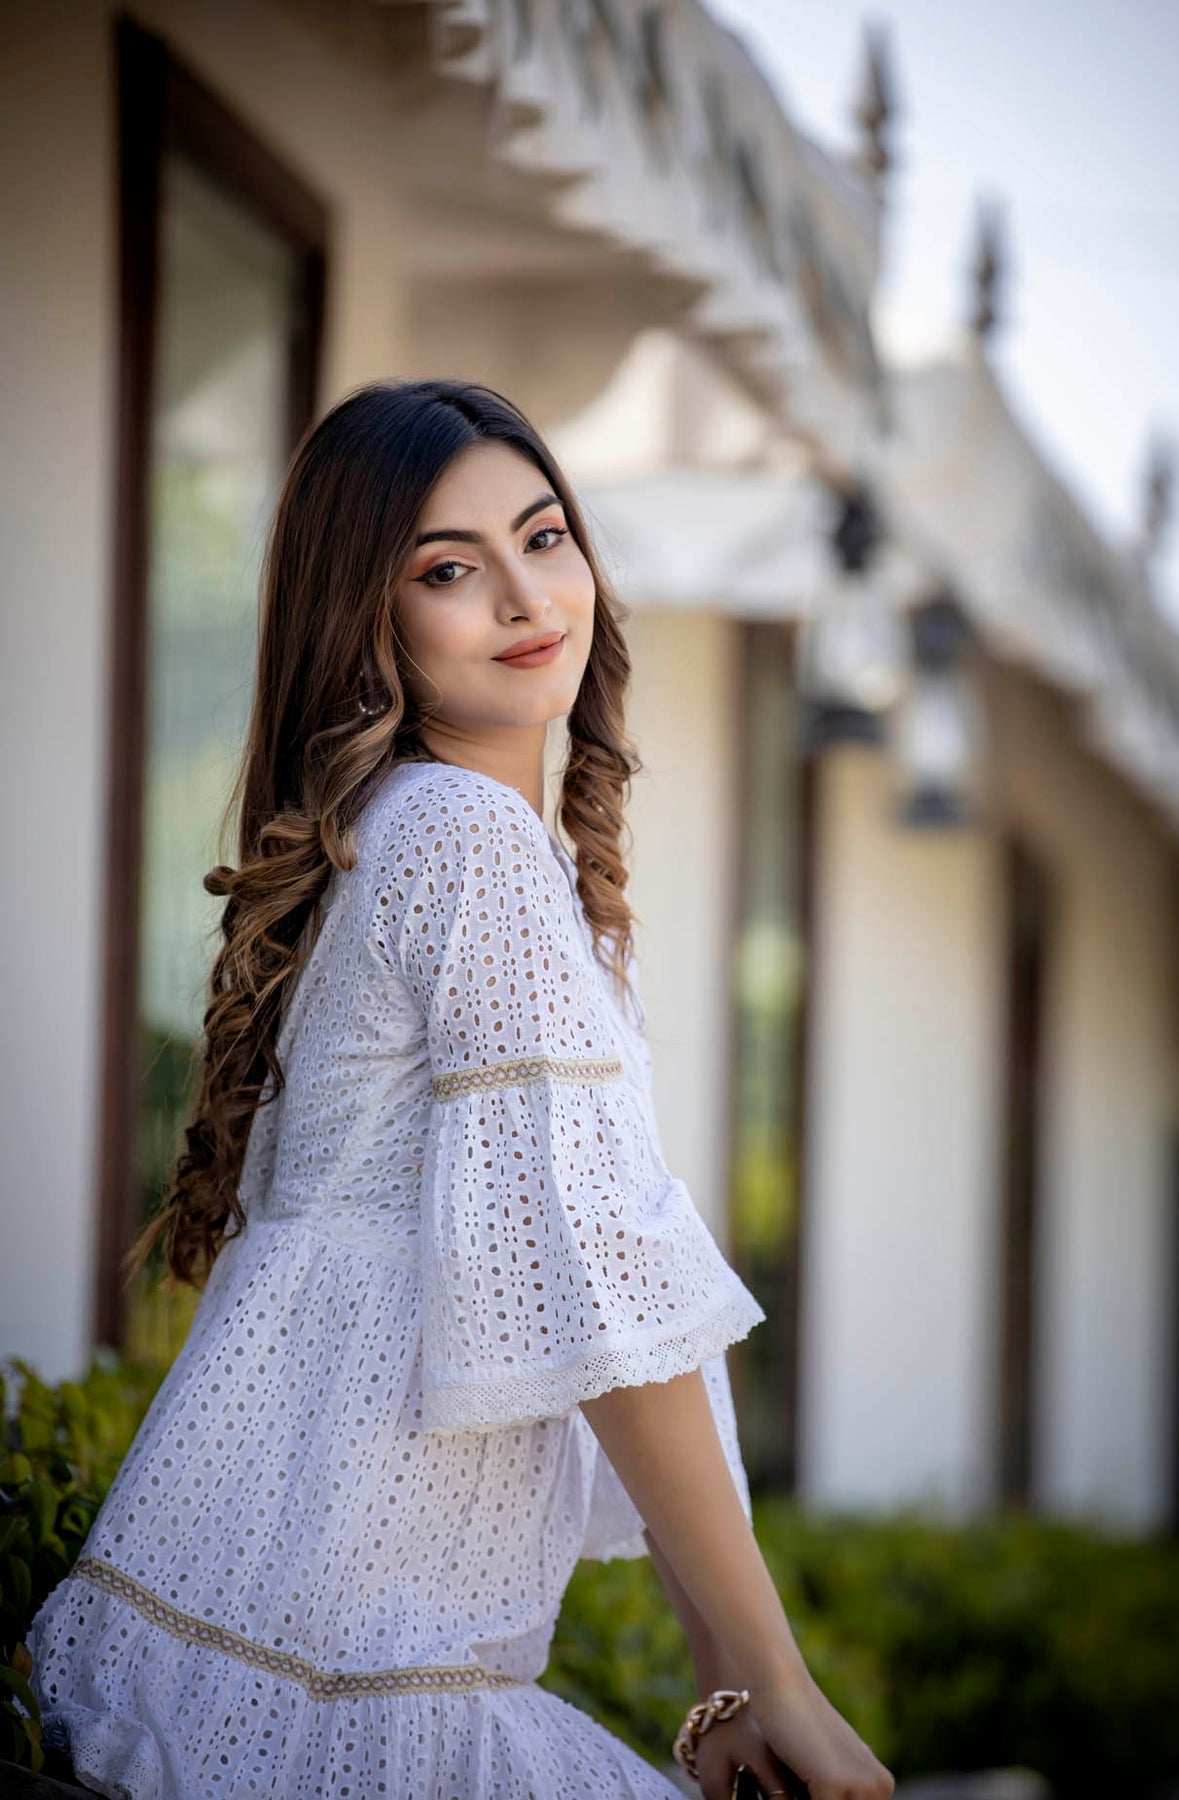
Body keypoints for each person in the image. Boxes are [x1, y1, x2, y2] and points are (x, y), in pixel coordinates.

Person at [26, 378, 896, 1800]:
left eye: (544, 537)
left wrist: (727, 1680)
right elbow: (601, 1289)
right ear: (367, 624)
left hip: (283, 1634)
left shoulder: (474, 855)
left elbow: (608, 1293)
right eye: (447, 569)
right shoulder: (460, 842)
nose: (521, 594)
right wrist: (774, 1684)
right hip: (332, 1665)